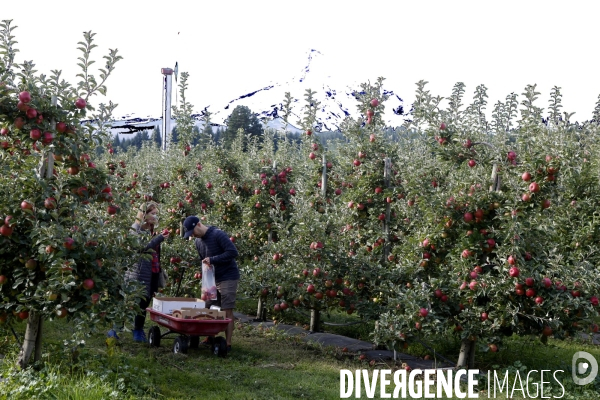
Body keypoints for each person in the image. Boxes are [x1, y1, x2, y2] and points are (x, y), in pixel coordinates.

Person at [108, 201, 169, 342]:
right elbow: (140, 248)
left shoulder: (150, 229)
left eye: (156, 214)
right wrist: (159, 238)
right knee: (129, 302)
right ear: (144, 214)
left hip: (151, 272)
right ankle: (114, 330)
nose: (155, 217)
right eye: (153, 214)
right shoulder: (135, 228)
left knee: (144, 302)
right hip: (137, 272)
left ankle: (138, 330)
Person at [183, 216, 239, 353]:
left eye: (193, 232)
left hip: (227, 276)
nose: (193, 235)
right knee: (208, 307)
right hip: (212, 277)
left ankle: (228, 343)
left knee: (227, 309)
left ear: (199, 225)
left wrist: (213, 260)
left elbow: (233, 252)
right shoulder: (198, 242)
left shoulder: (217, 234)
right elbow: (204, 259)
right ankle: (210, 336)